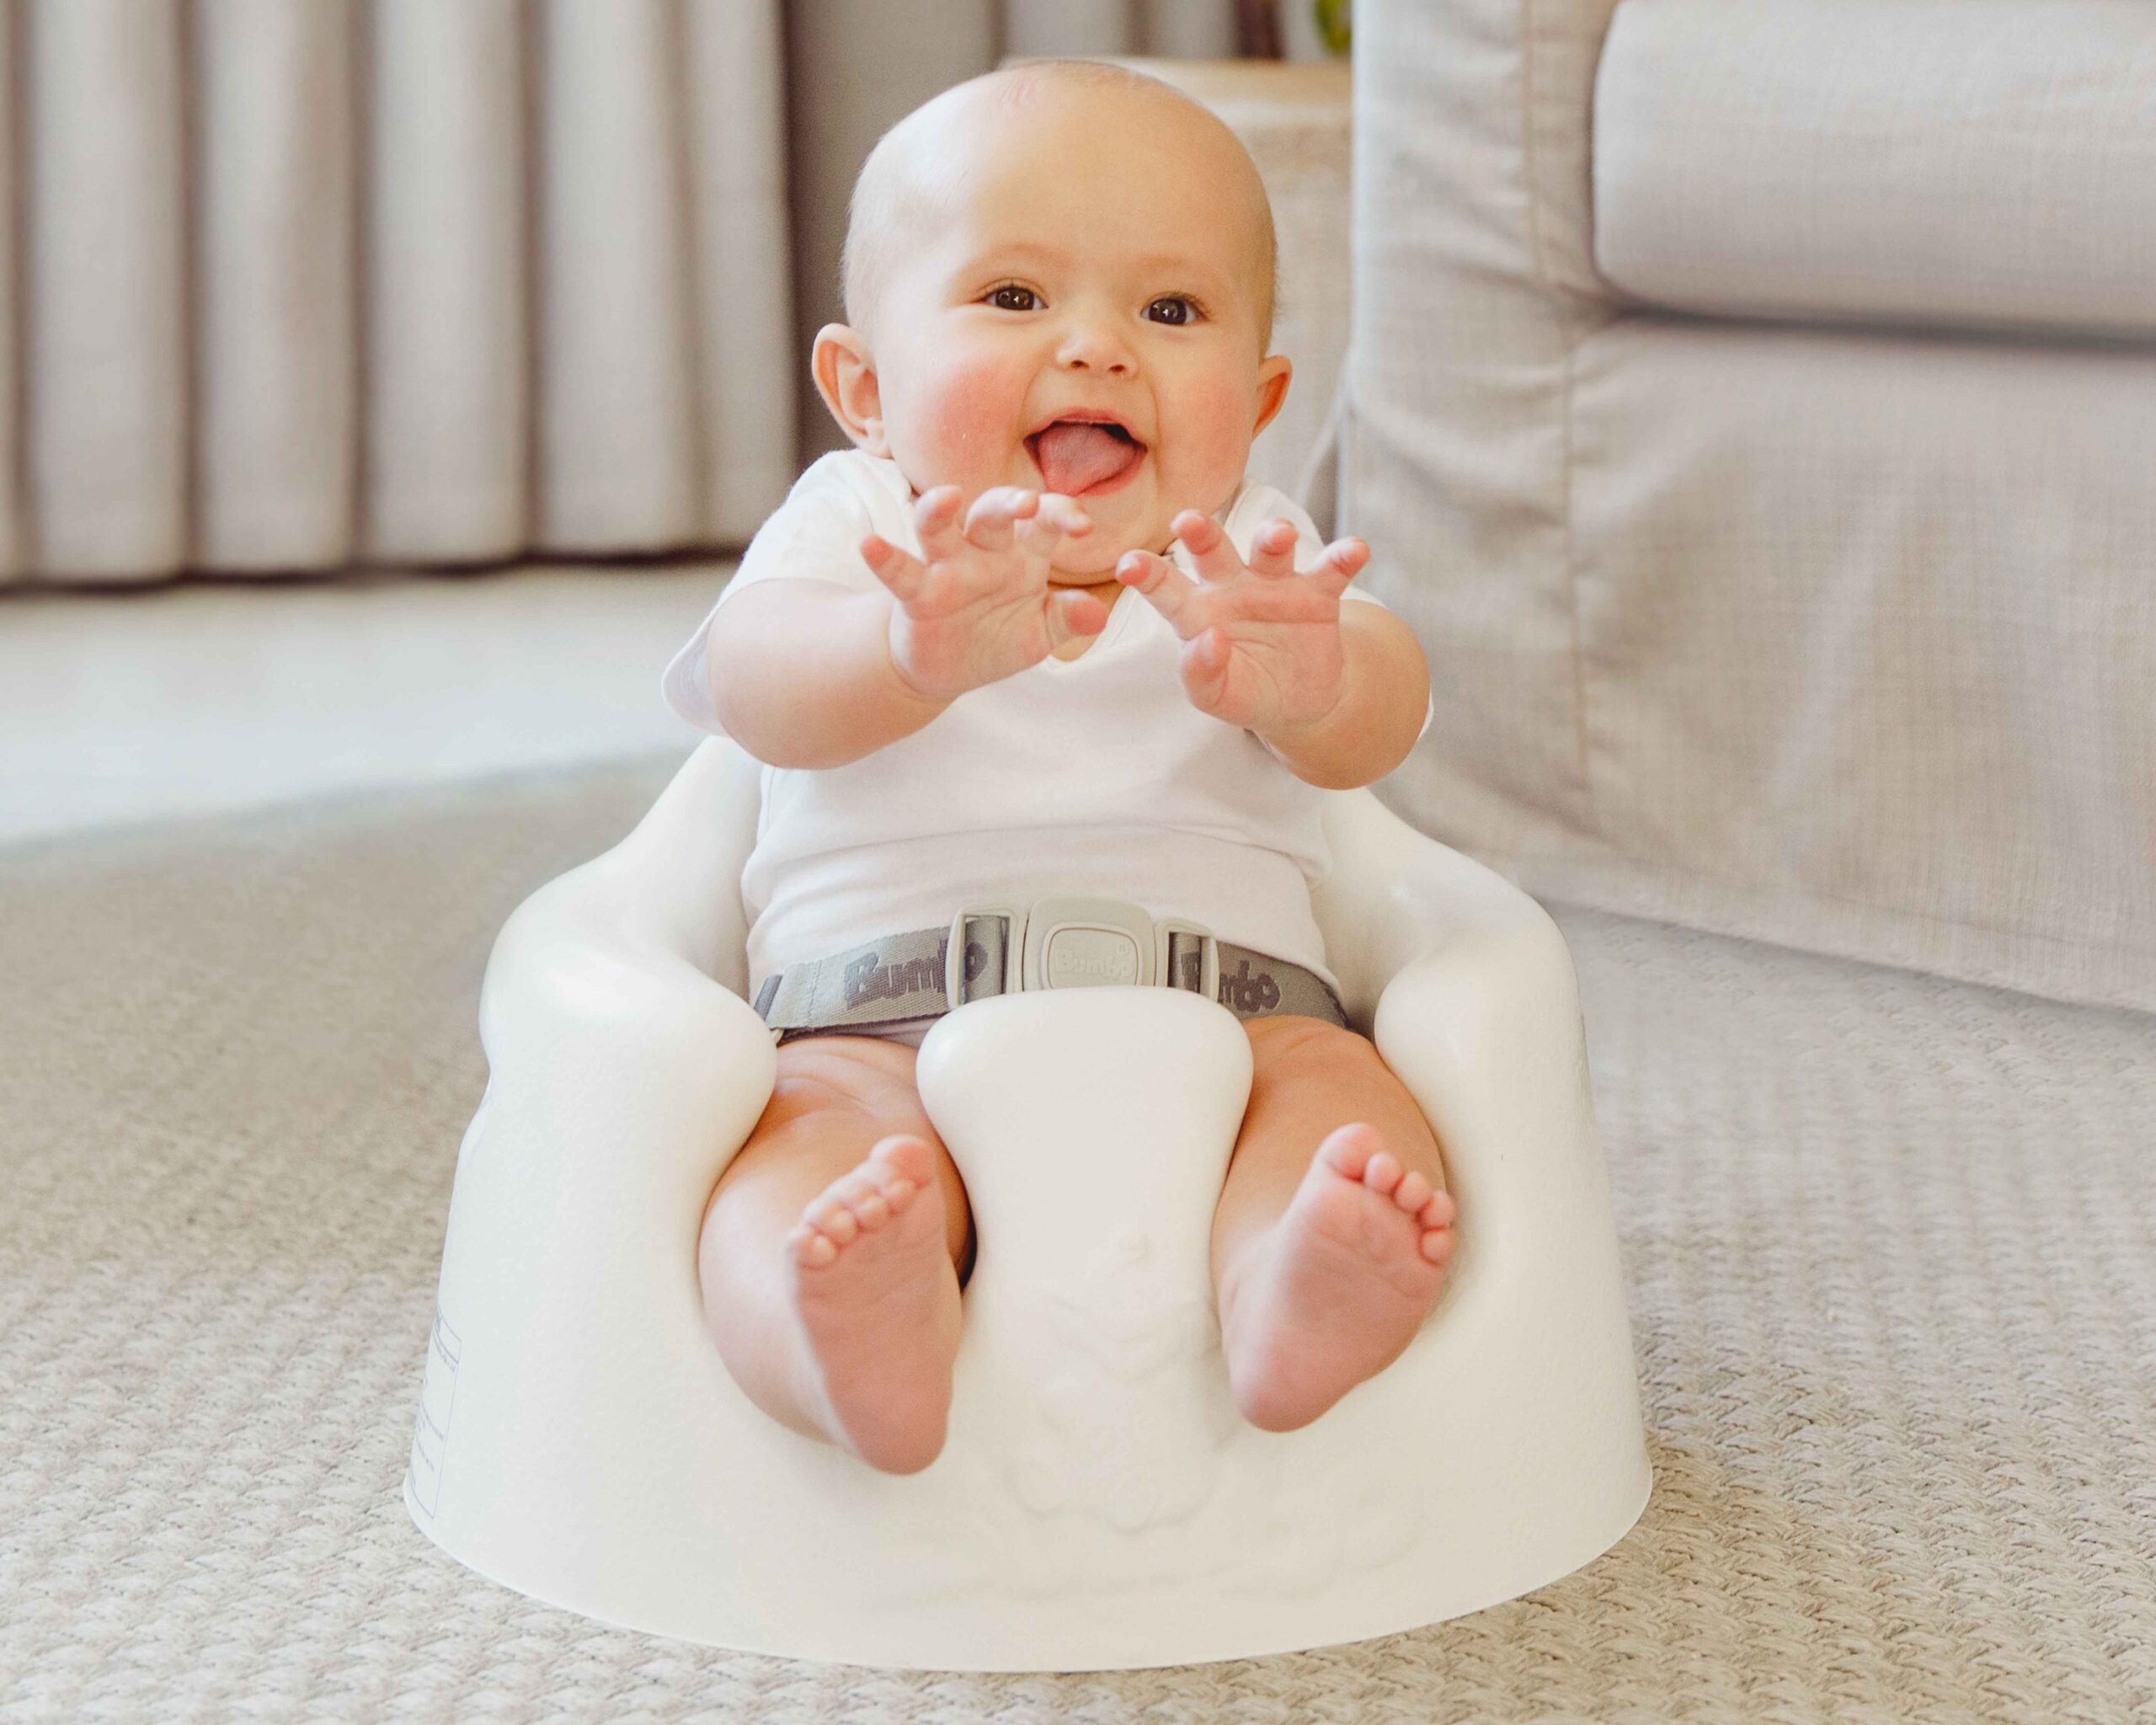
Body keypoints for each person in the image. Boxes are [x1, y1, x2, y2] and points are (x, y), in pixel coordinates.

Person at [661, 58, 1454, 1477]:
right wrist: (902, 654)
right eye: (1016, 298)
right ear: (866, 389)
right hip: (874, 1019)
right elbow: (749, 686)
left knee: (1345, 1105)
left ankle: (1292, 1280)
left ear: (1260, 399)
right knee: (802, 1156)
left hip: (1241, 1010)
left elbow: (1388, 713)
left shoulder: (1247, 551)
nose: (1098, 349)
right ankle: (833, 1324)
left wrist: (1315, 677)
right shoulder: (863, 524)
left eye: (1171, 310)